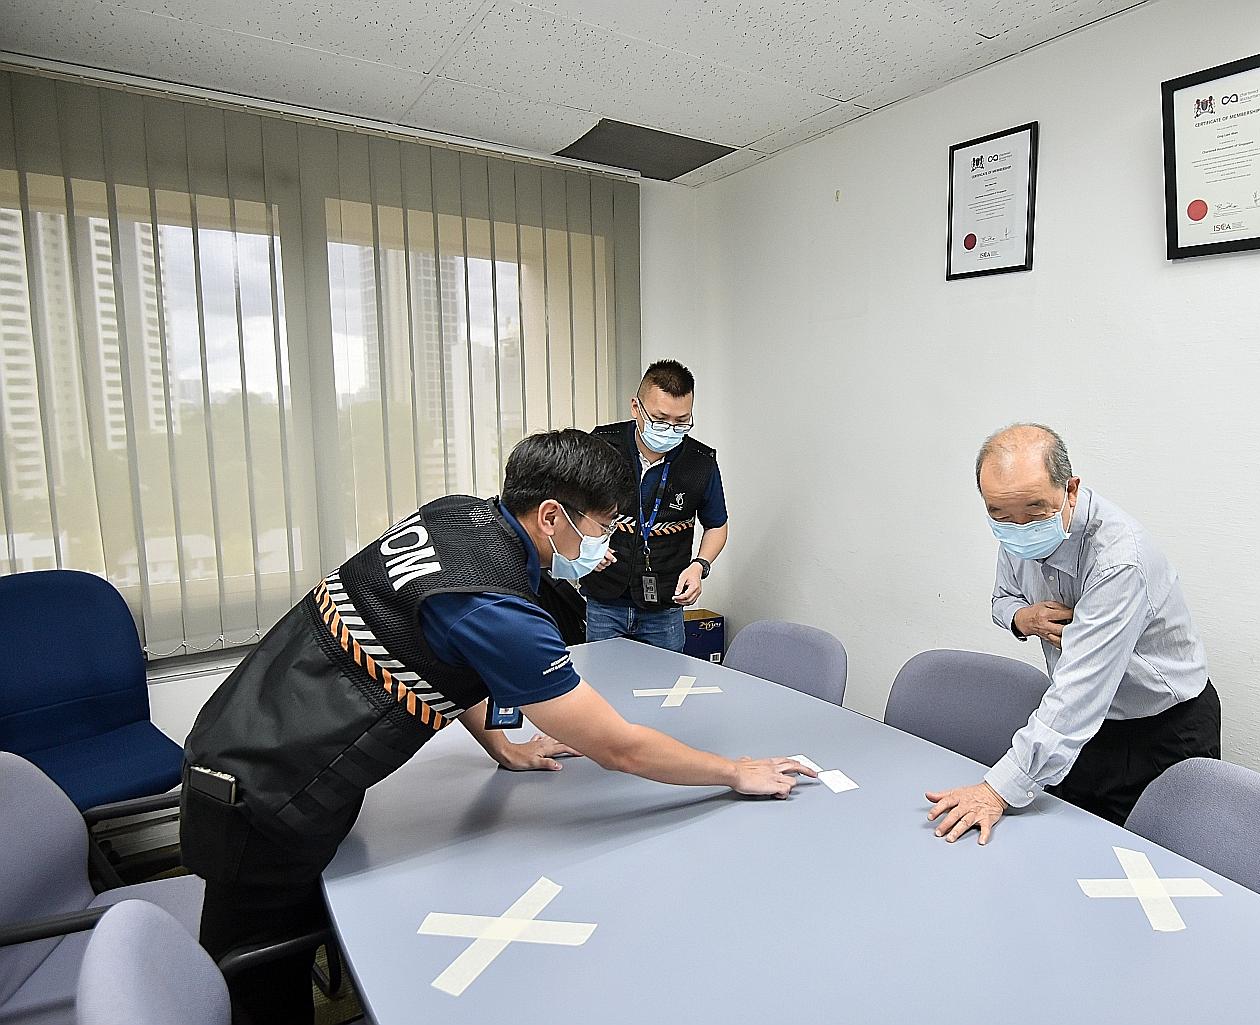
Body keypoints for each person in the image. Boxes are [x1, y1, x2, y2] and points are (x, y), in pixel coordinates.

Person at [179, 429, 811, 1025]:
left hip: (253, 733)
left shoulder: (458, 517)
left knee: (281, 945)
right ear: (552, 516)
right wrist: (734, 771)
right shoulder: (496, 606)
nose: (609, 546)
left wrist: (501, 744)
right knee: (257, 984)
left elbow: (437, 648)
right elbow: (619, 747)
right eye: (604, 527)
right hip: (268, 787)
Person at [925, 423, 1220, 844]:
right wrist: (1022, 618)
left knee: (1137, 859)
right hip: (1081, 726)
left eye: (1034, 510)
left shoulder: (1119, 560)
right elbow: (1003, 598)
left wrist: (995, 790)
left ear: (1071, 489)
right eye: (999, 514)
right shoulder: (1017, 530)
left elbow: (1081, 688)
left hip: (1159, 729)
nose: (1018, 527)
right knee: (1062, 846)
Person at [582, 360, 727, 650]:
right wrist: (586, 547)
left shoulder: (700, 463)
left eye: (681, 421)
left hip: (665, 606)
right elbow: (569, 509)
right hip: (605, 600)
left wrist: (700, 566)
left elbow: (717, 525)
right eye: (660, 420)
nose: (670, 429)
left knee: (666, 678)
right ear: (636, 408)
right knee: (602, 676)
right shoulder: (601, 447)